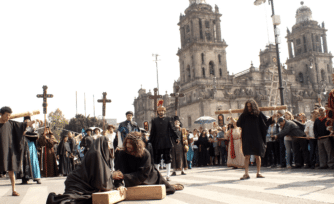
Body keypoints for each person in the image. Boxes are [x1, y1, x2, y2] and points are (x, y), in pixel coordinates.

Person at [47, 136, 127, 204]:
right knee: (77, 199)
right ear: (103, 143)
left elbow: (98, 174)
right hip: (78, 182)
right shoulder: (96, 154)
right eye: (108, 143)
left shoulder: (99, 153)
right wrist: (112, 178)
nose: (109, 146)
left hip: (82, 181)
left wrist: (112, 177)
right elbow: (102, 183)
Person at [114, 132, 183, 195]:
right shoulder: (122, 154)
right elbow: (119, 172)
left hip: (148, 177)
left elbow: (143, 174)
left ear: (136, 144)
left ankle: (171, 186)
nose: (128, 145)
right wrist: (119, 185)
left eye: (131, 143)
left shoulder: (145, 154)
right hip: (130, 178)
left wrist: (124, 177)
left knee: (168, 190)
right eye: (127, 142)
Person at [0, 107, 35, 196]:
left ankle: (14, 190)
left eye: (9, 115)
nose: (8, 117)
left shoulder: (11, 124)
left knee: (11, 170)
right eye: (6, 115)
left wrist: (32, 122)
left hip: (8, 151)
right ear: (1, 114)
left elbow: (22, 125)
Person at [235, 99, 273, 180]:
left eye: (250, 106)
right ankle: (246, 174)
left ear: (253, 106)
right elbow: (238, 124)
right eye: (247, 106)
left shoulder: (258, 114)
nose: (249, 108)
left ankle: (258, 172)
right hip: (247, 137)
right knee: (247, 155)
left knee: (257, 155)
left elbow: (265, 122)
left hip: (257, 136)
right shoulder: (244, 115)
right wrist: (233, 120)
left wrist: (273, 117)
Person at [149, 100, 179, 181]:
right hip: (157, 142)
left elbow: (172, 129)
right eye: (159, 111)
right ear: (158, 112)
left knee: (168, 158)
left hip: (166, 141)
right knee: (157, 158)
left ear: (164, 111)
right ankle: (157, 175)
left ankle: (168, 174)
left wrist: (176, 138)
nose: (161, 112)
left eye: (162, 110)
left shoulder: (169, 119)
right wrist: (149, 141)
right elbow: (153, 132)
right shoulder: (154, 120)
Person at [19, 116, 42, 184]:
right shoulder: (21, 128)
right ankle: (25, 178)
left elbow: (36, 136)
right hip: (23, 146)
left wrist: (26, 134)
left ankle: (37, 178)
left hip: (31, 147)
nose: (27, 122)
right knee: (24, 162)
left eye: (28, 121)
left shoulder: (33, 128)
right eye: (25, 121)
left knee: (33, 161)